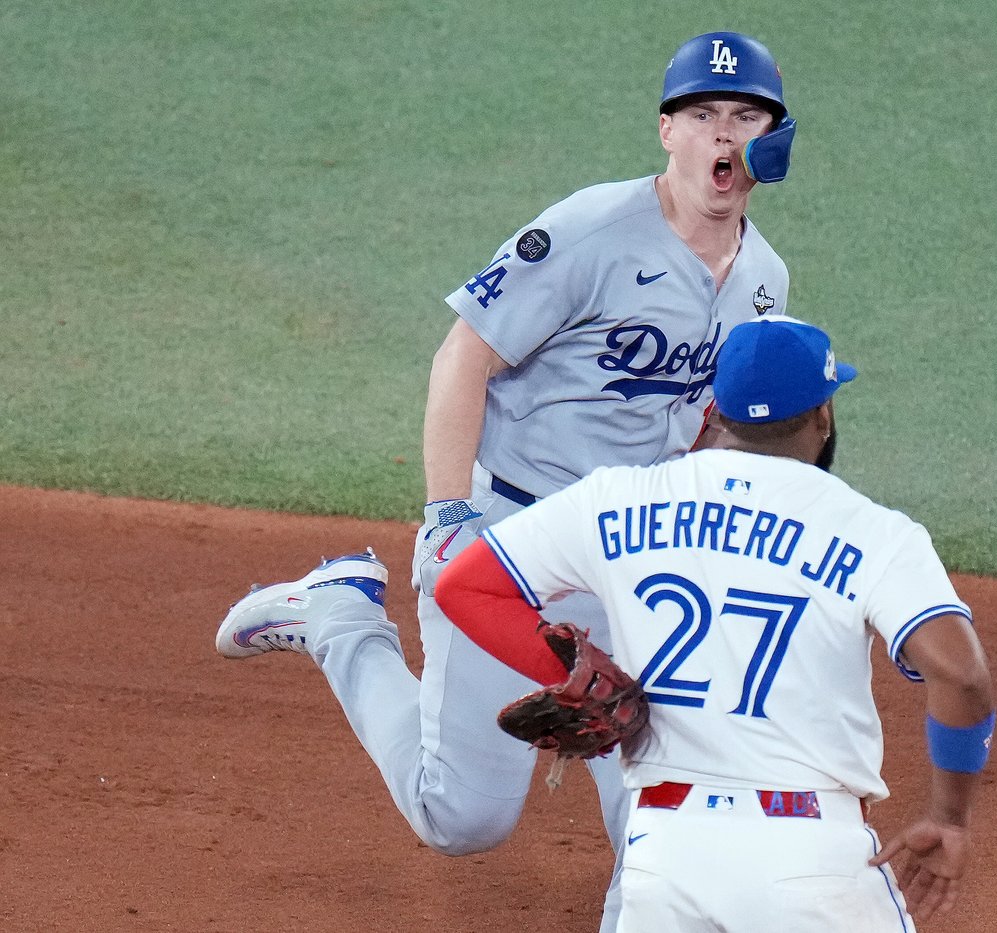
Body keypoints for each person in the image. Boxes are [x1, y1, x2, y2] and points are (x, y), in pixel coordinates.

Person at [215, 31, 796, 933]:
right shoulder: (591, 232)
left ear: (773, 135)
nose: (725, 136)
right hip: (510, 540)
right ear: (667, 132)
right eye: (705, 115)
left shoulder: (765, 281)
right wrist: (449, 518)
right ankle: (337, 618)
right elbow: (464, 356)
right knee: (462, 818)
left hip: (635, 559)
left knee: (653, 803)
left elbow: (714, 421)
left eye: (746, 115)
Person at [433, 316, 997, 931]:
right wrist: (949, 816)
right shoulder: (873, 531)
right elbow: (960, 673)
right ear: (824, 414)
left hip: (664, 861)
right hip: (809, 861)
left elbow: (465, 585)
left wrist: (591, 681)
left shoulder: (614, 499)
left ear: (716, 409)